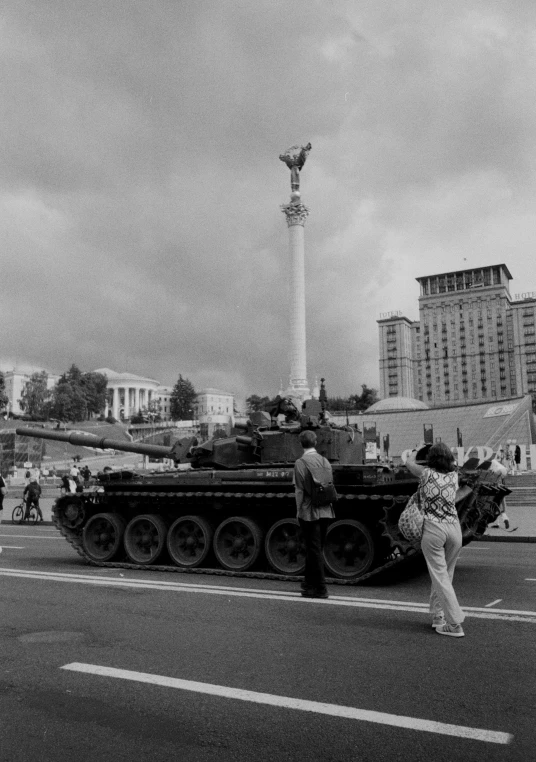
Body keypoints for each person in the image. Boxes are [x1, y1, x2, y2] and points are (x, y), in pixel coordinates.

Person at [406, 442, 465, 638]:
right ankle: (438, 616)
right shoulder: (454, 476)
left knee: (439, 576)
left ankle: (455, 624)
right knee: (444, 575)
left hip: (434, 529)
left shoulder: (425, 474)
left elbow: (408, 462)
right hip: (455, 530)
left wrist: (417, 449)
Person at [294, 429, 335, 599]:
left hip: (309, 511)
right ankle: (309, 584)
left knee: (313, 549)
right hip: (326, 509)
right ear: (316, 442)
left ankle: (320, 588)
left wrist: (298, 511)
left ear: (300, 444)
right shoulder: (325, 460)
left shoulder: (300, 463)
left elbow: (299, 490)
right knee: (316, 548)